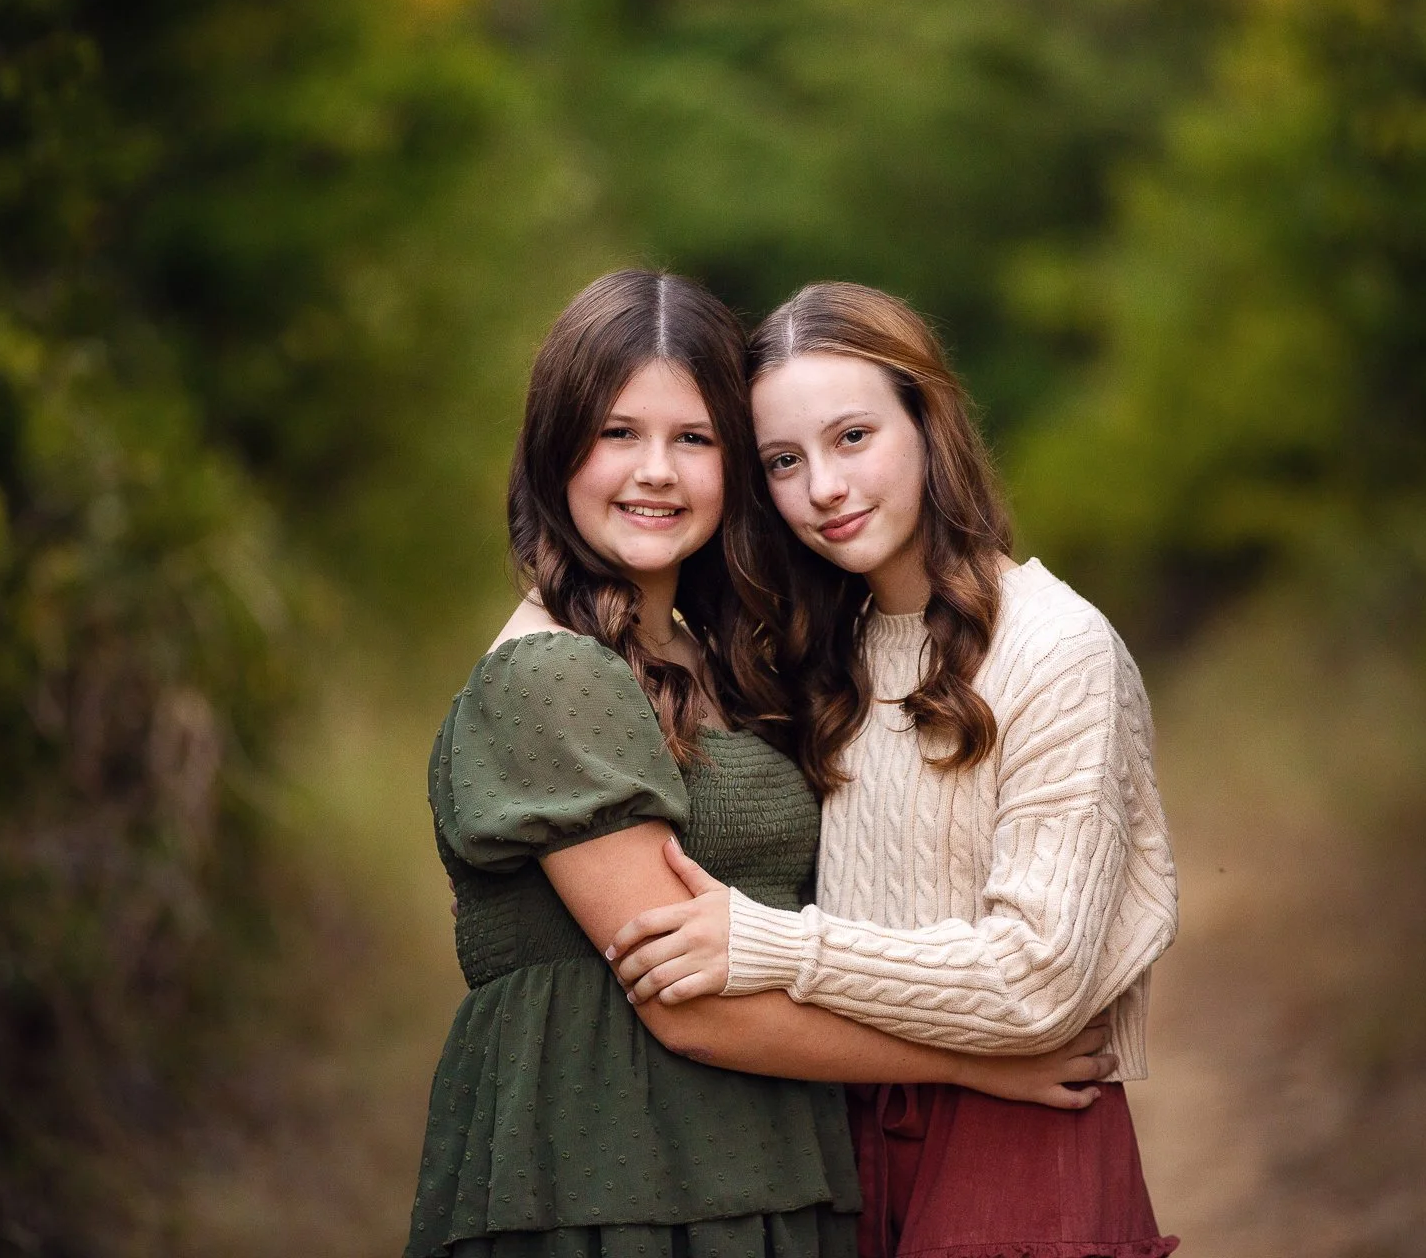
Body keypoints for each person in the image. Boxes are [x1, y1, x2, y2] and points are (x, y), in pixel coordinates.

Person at [407, 270, 1118, 1258]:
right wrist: (973, 1063)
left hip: (762, 1164)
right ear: (555, 448)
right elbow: (689, 1003)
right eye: (619, 432)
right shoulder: (549, 676)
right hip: (612, 1186)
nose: (655, 469)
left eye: (693, 438)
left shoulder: (717, 656)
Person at [608, 282, 1181, 1258]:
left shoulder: (1055, 646)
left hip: (1019, 1139)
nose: (823, 486)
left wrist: (779, 946)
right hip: (839, 1129)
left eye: (853, 437)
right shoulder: (818, 650)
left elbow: (1038, 979)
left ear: (928, 422)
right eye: (784, 460)